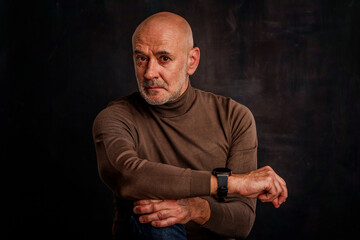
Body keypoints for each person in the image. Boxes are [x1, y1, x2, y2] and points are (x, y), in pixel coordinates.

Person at [92, 11, 288, 240]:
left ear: (191, 61)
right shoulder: (116, 117)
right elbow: (128, 175)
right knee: (156, 217)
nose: (149, 72)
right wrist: (230, 182)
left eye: (164, 58)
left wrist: (196, 209)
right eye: (141, 58)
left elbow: (241, 223)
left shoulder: (234, 117)